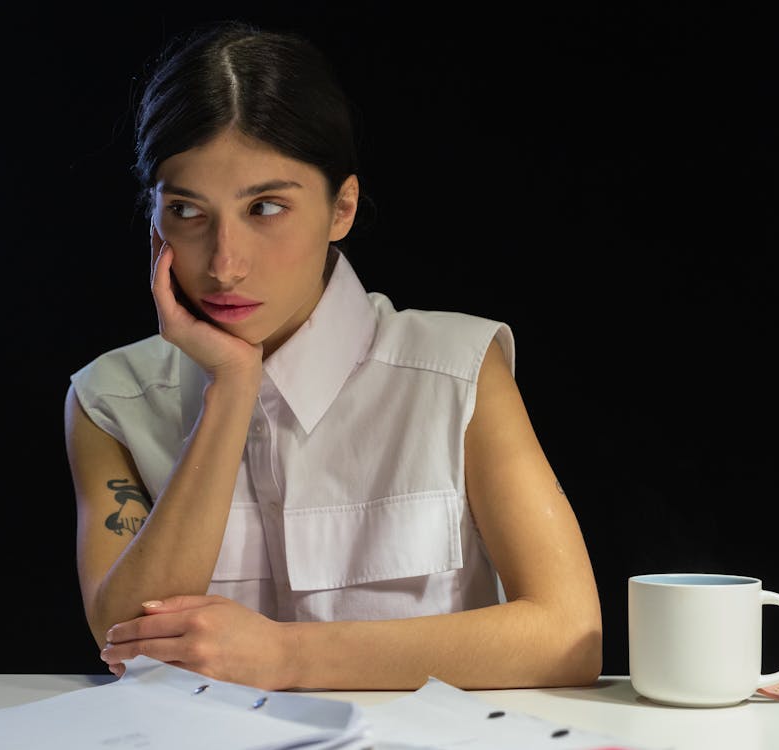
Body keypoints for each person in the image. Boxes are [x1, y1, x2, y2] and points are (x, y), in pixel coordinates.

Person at [63, 19, 602, 692]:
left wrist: (286, 657)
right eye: (188, 212)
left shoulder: (454, 370)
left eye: (265, 208)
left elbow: (566, 635)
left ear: (341, 207)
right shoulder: (109, 398)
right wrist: (229, 388)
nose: (225, 265)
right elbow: (126, 645)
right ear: (154, 220)